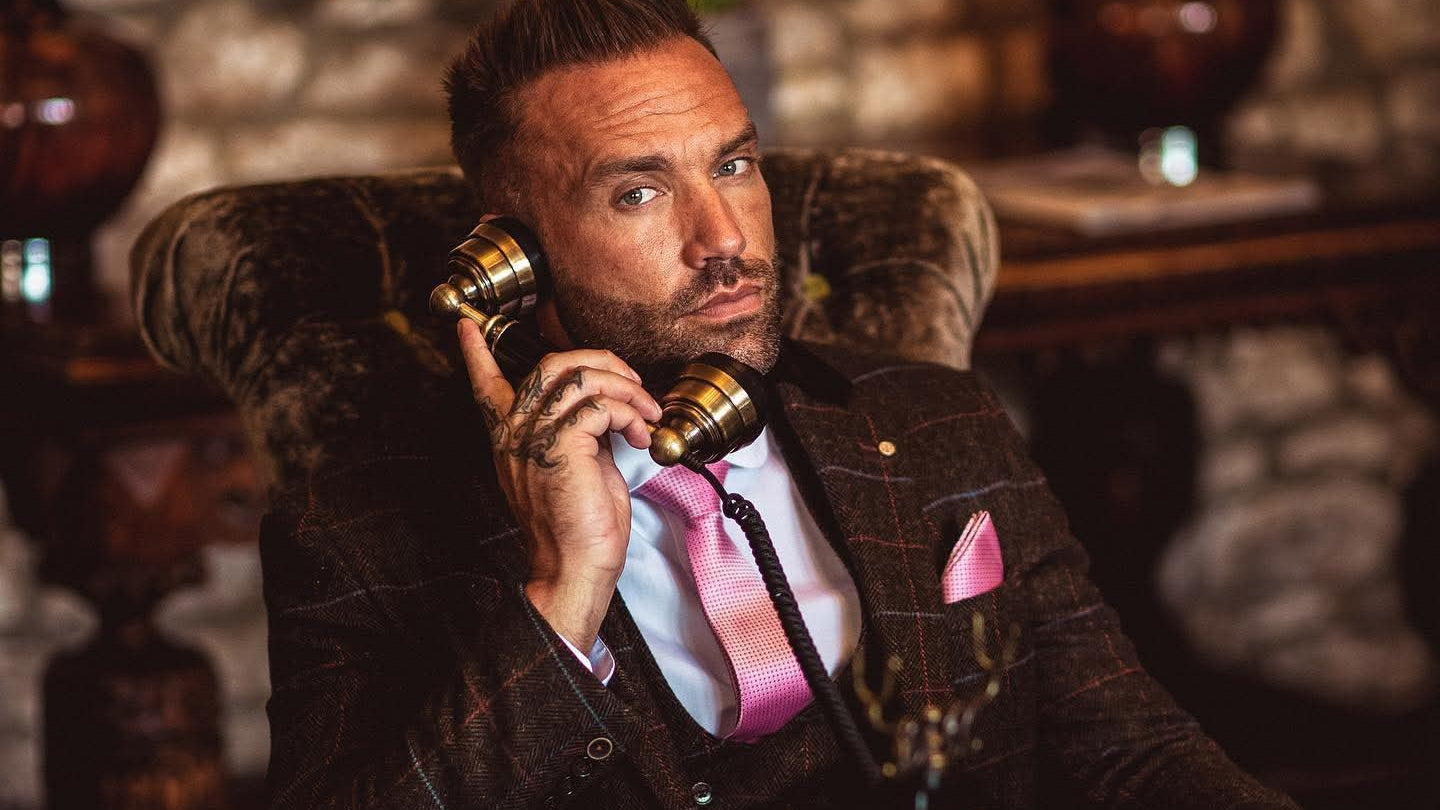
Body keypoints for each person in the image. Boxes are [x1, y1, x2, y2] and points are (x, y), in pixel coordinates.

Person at [260, 1, 1300, 807]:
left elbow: (1132, 753)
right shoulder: (353, 535)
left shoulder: (936, 421)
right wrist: (561, 595)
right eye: (640, 191)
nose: (724, 239)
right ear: (514, 253)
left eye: (735, 164)